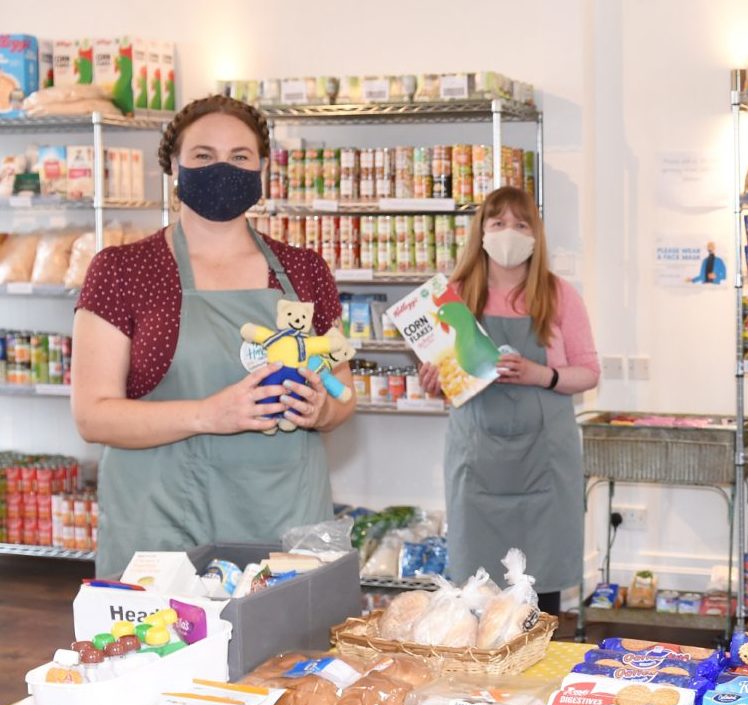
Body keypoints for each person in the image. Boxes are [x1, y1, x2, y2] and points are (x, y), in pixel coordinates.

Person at [73, 95, 353, 577]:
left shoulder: (302, 271)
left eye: (240, 157)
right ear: (175, 168)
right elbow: (93, 416)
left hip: (282, 525)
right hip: (163, 527)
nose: (223, 168)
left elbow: (343, 393)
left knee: (283, 652)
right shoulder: (124, 270)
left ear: (262, 168)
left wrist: (322, 410)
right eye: (203, 155)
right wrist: (210, 414)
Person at [419, 186, 599, 616]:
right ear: (480, 231)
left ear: (536, 236)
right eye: (497, 223)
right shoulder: (453, 298)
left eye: (520, 224)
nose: (508, 233)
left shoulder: (558, 295)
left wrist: (542, 374)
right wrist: (433, 380)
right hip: (476, 466)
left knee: (540, 595)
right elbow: (446, 378)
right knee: (475, 601)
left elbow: (589, 372)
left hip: (545, 468)